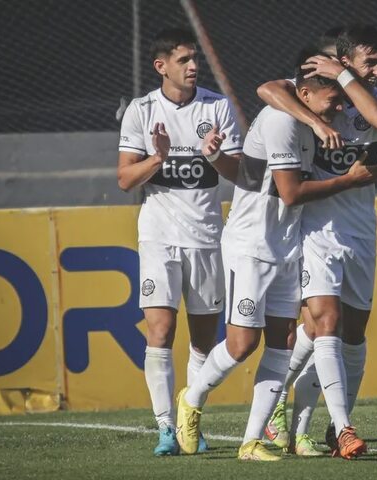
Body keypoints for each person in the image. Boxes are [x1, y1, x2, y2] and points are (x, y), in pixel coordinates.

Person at [175, 48, 377, 461]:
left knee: (282, 342)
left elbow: (251, 174)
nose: (340, 108)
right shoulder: (282, 121)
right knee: (241, 344)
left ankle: (251, 441)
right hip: (252, 244)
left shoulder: (310, 119)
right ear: (305, 94)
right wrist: (351, 180)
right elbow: (289, 193)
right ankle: (193, 397)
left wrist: (219, 158)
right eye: (333, 101)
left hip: (288, 243)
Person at [258, 24, 377, 458]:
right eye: (368, 62)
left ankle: (277, 398)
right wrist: (315, 120)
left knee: (351, 335)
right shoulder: (317, 93)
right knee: (326, 322)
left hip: (361, 232)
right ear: (345, 59)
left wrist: (345, 77)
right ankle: (344, 429)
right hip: (315, 232)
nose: (376, 70)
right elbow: (268, 88)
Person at [117, 27, 243, 456]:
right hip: (158, 237)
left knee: (204, 340)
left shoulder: (217, 106)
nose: (193, 67)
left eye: (195, 60)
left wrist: (213, 155)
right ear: (162, 66)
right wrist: (158, 158)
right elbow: (123, 179)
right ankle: (166, 428)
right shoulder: (141, 110)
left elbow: (238, 173)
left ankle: (192, 417)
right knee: (161, 328)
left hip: (207, 236)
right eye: (185, 60)